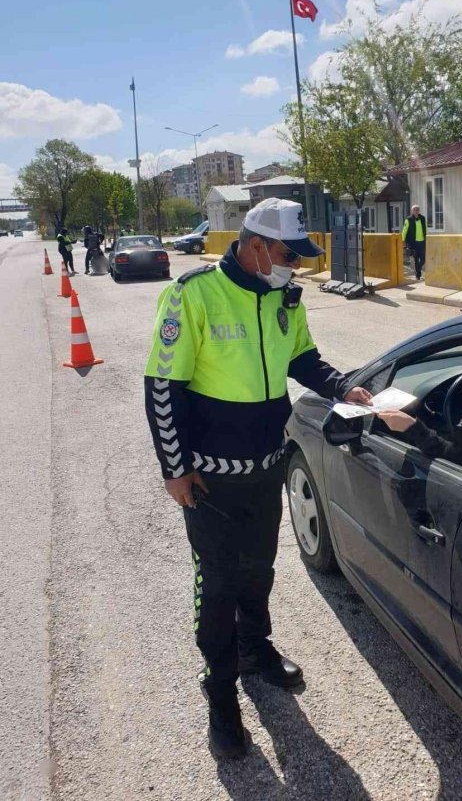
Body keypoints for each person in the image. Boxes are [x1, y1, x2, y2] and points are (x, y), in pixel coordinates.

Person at [144, 198, 373, 762]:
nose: (295, 265)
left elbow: (303, 359)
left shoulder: (284, 298)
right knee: (218, 583)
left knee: (259, 569)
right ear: (254, 246)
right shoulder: (193, 295)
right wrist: (175, 468)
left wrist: (343, 387)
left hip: (267, 466)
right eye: (287, 255)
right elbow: (162, 389)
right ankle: (221, 693)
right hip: (210, 480)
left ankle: (254, 648)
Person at [401, 204, 427, 281]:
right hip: (413, 242)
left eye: (417, 210)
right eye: (414, 210)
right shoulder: (408, 219)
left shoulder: (422, 218)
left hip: (422, 242)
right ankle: (418, 275)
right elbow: (404, 230)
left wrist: (426, 237)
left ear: (419, 211)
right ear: (412, 211)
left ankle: (418, 270)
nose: (416, 211)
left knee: (423, 259)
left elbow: (425, 228)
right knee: (416, 259)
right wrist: (402, 240)